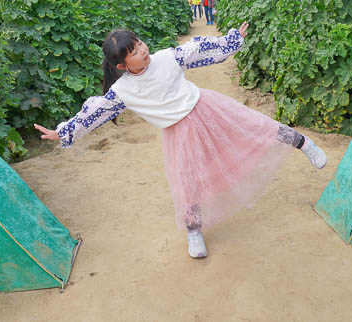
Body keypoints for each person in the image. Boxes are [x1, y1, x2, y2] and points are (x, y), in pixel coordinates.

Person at [33, 24, 328, 259]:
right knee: (188, 183)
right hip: (179, 133)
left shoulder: (166, 58)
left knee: (254, 126)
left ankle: (304, 143)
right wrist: (64, 131)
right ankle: (194, 231)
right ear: (122, 66)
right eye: (133, 51)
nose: (142, 50)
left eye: (139, 43)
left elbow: (200, 49)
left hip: (207, 109)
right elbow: (96, 112)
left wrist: (232, 39)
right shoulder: (122, 91)